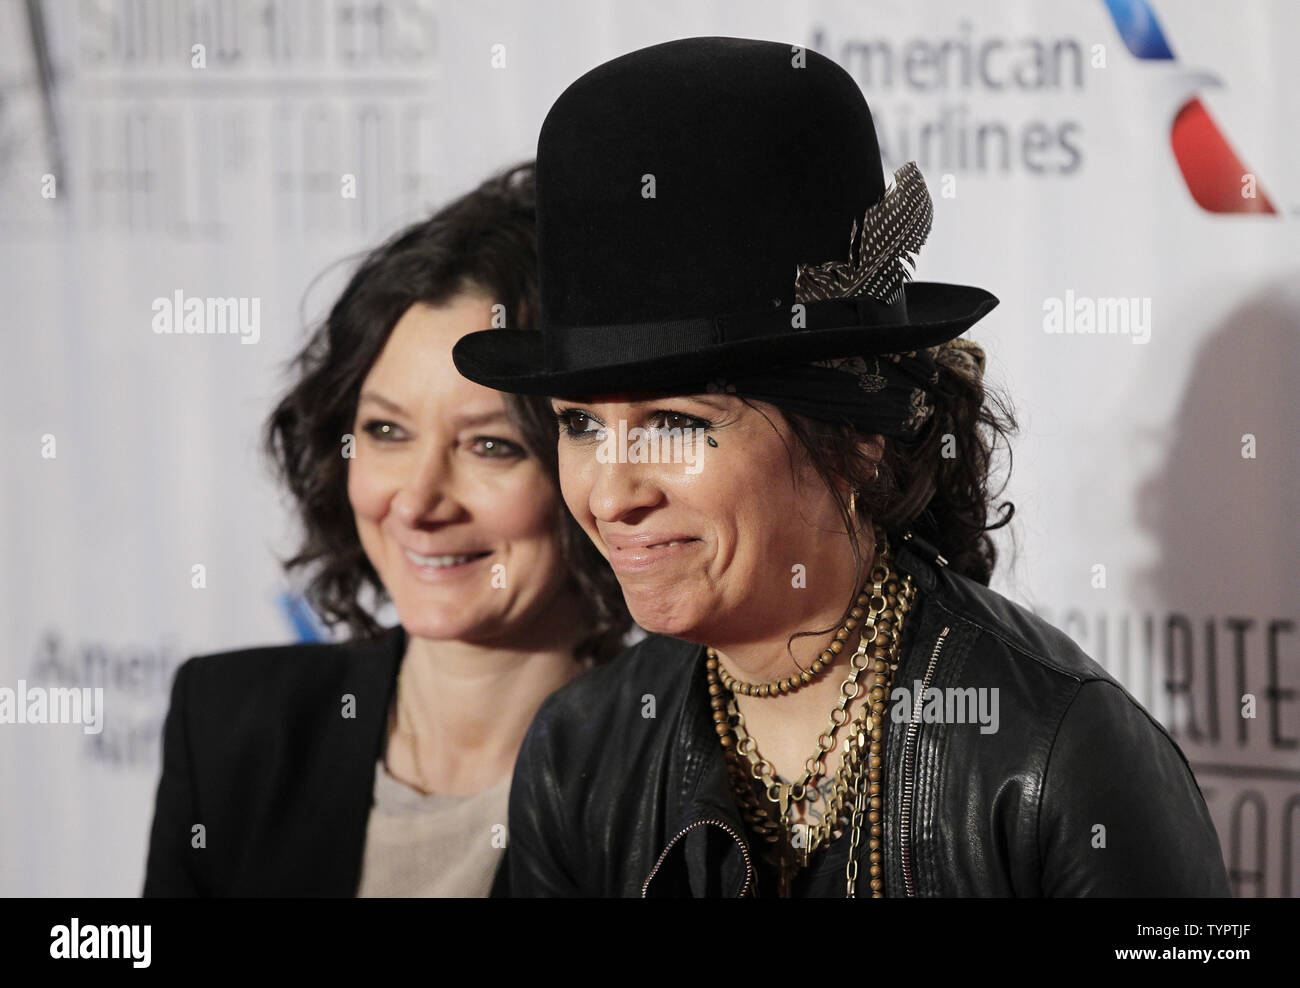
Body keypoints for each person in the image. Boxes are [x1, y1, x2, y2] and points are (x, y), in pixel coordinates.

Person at [452, 37, 1231, 897]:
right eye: (579, 425)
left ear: (857, 436)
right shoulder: (580, 754)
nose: (612, 492)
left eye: (676, 421)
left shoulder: (1057, 753)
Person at [142, 162, 630, 897]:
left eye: (490, 445)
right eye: (386, 431)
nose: (417, 502)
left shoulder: (669, 785)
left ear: (591, 464)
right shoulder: (233, 725)